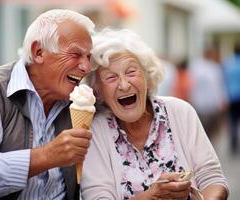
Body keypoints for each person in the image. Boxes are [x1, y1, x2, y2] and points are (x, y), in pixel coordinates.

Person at [0, 9, 94, 199]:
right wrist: (46, 156)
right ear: (38, 52)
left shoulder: (78, 103)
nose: (86, 67)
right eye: (75, 54)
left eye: (88, 57)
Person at [81, 28, 228, 200]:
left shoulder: (181, 112)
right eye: (111, 78)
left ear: (147, 77)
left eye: (131, 72)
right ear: (98, 90)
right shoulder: (95, 131)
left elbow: (212, 178)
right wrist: (151, 197)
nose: (124, 85)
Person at [190, 47, 227, 142]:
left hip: (212, 104)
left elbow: (219, 85)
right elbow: (192, 85)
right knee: (201, 129)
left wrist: (222, 100)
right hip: (199, 104)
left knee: (212, 129)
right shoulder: (196, 66)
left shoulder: (215, 68)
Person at [223, 43, 240, 153]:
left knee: (232, 121)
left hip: (231, 97)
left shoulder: (227, 63)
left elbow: (223, 80)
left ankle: (233, 143)